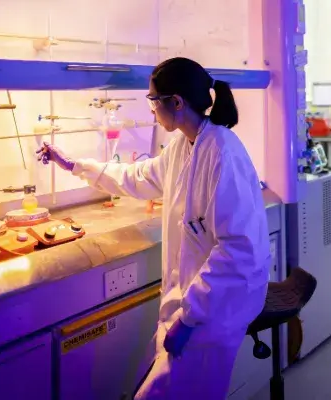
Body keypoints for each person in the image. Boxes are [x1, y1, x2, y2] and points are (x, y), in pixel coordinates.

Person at [36, 57, 270, 399]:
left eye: (152, 100)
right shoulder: (184, 146)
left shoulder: (223, 153)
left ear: (176, 102)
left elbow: (237, 251)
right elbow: (136, 177)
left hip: (215, 310)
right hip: (191, 307)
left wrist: (189, 318)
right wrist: (73, 164)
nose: (150, 110)